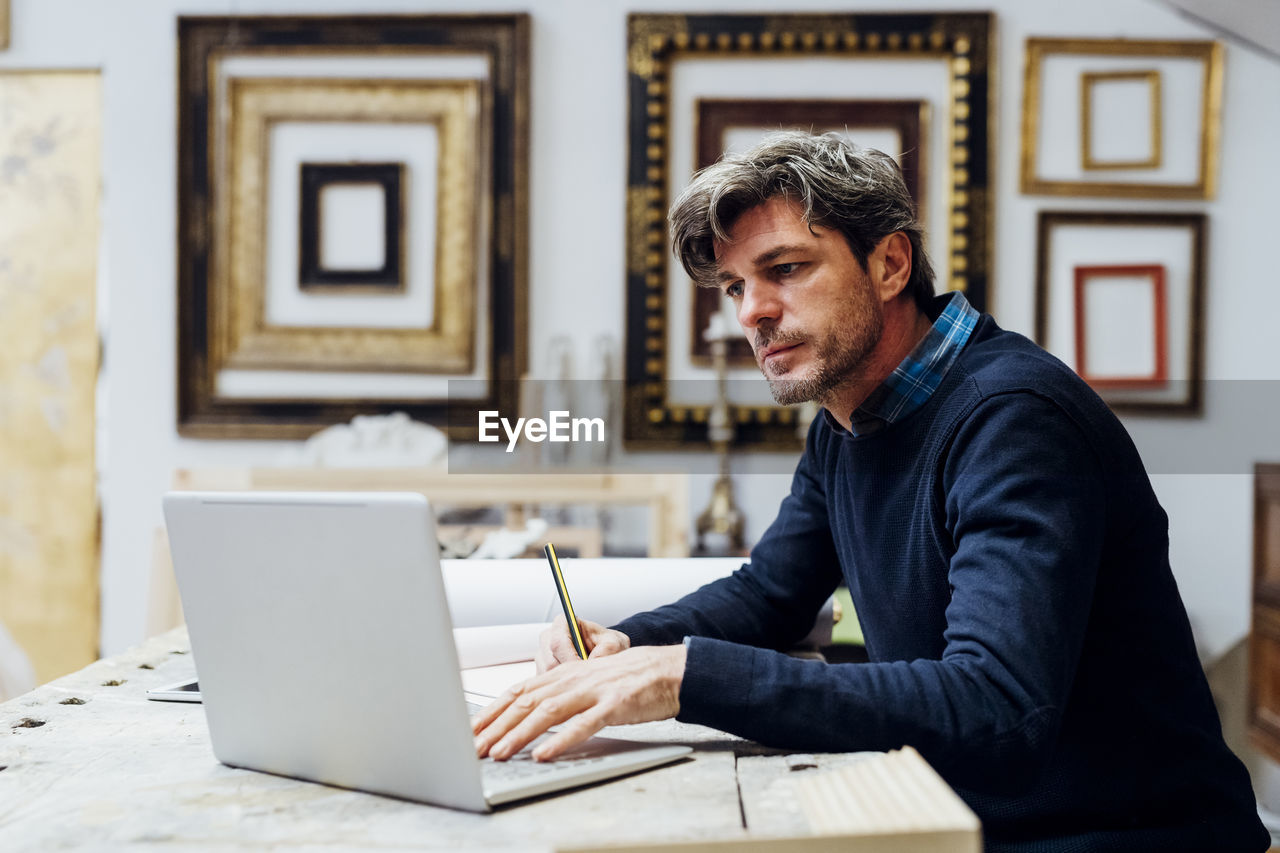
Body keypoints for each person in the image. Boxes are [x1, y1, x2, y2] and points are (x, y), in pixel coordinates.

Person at [472, 131, 1268, 851]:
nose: (753, 311)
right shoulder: (848, 418)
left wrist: (683, 677)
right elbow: (772, 593)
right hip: (966, 820)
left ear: (889, 264)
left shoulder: (1015, 419)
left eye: (784, 269)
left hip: (1126, 840)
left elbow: (997, 707)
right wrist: (625, 642)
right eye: (734, 286)